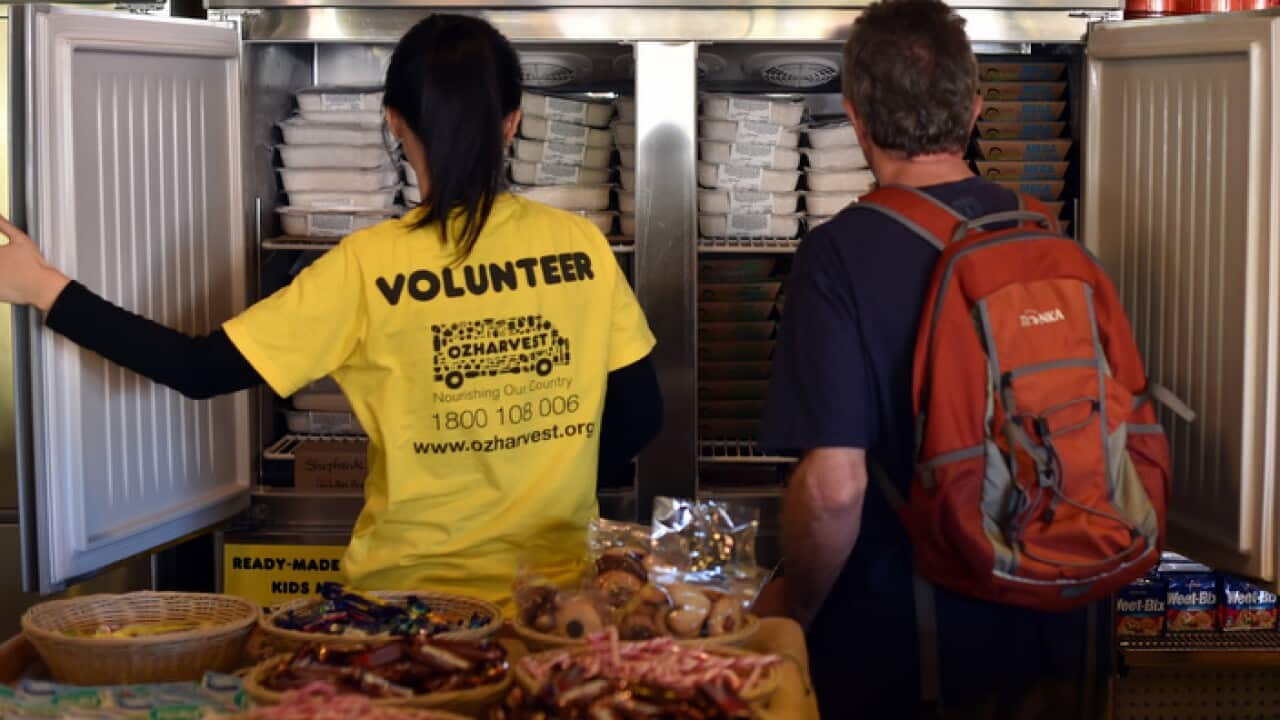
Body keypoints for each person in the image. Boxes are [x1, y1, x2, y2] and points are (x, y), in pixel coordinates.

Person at [0, 14, 662, 612]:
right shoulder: (582, 248)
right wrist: (543, 470)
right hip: (554, 606)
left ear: (394, 120)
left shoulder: (366, 267)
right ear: (513, 122)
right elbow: (639, 415)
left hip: (407, 606)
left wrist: (44, 287)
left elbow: (197, 367)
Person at [759, 0, 1104, 716]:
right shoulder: (1043, 232)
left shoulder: (837, 257)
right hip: (1050, 623)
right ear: (975, 110)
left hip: (906, 647)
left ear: (856, 118)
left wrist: (790, 609)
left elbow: (834, 490)